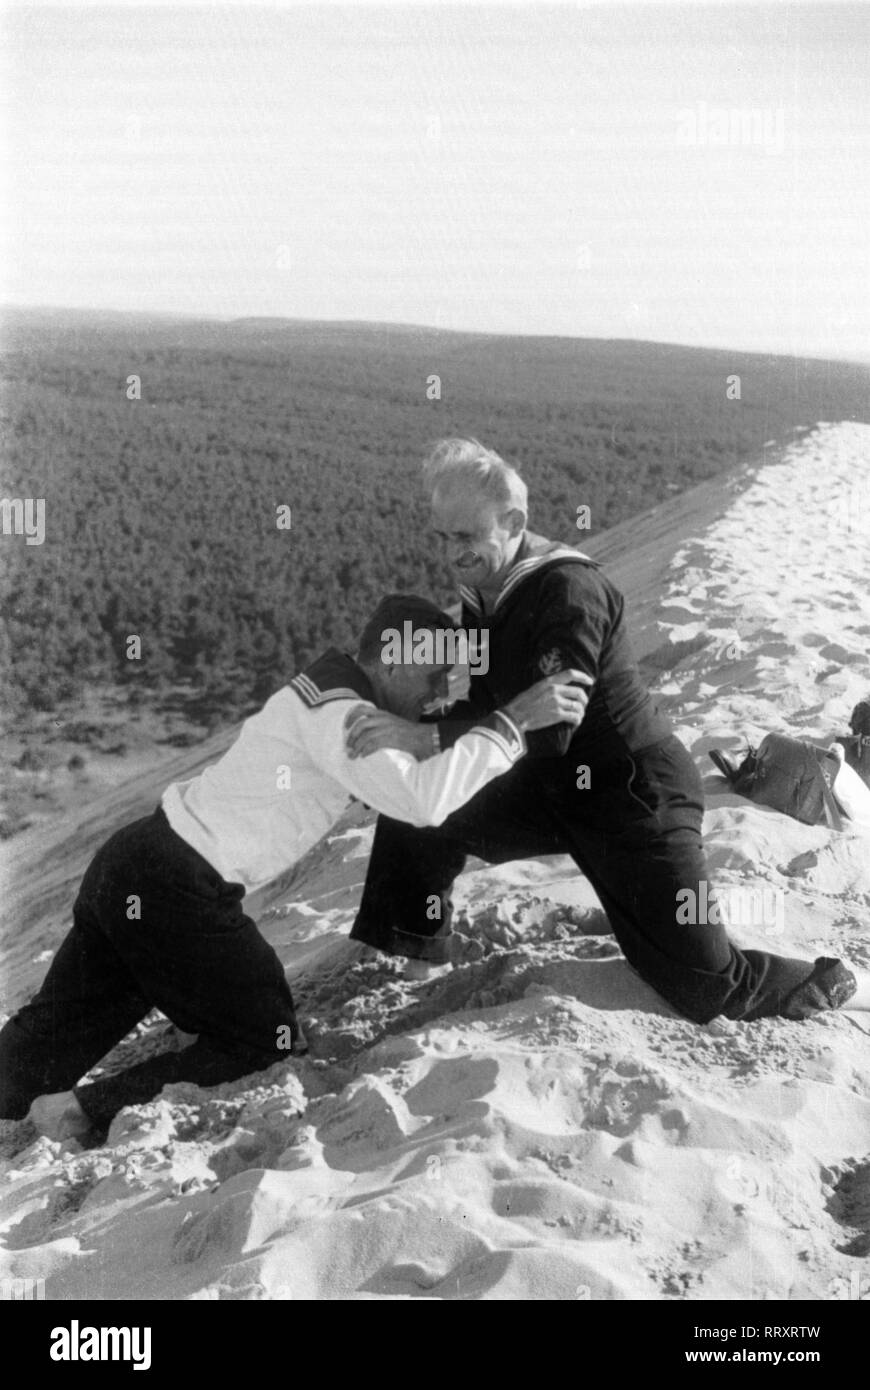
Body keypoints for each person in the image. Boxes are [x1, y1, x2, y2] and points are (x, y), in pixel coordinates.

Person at [0, 592, 591, 1141]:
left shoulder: (331, 691)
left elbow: (405, 766)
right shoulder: (341, 714)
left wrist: (436, 735)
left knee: (49, 1037)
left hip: (134, 862)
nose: (440, 693)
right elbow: (420, 802)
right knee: (265, 1041)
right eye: (435, 674)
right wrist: (512, 725)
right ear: (393, 657)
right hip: (178, 886)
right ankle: (78, 1112)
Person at [346, 438, 870, 1023]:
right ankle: (421, 962)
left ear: (514, 521)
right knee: (413, 786)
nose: (452, 554)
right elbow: (495, 706)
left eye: (465, 537)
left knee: (706, 986)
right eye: (442, 538)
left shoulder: (567, 592)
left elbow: (549, 733)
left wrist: (423, 738)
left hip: (631, 796)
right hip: (549, 786)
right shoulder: (486, 586)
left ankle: (846, 983)